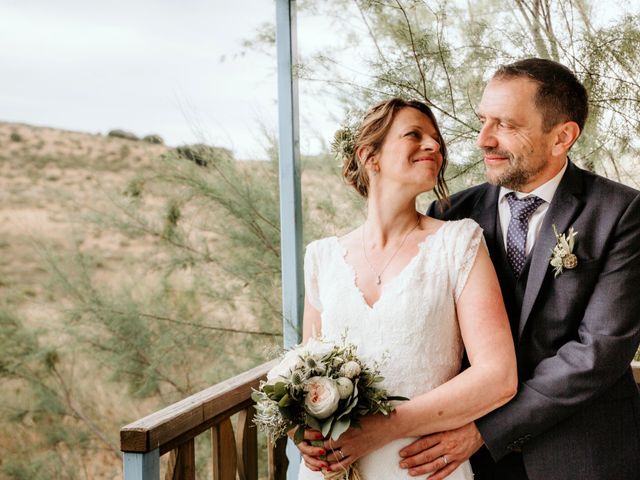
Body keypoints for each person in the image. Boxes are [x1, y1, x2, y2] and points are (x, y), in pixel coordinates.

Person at [400, 58, 640, 480]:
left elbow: (598, 351)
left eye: (506, 125)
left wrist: (485, 429)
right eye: (483, 120)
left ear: (562, 136)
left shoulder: (622, 213)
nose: (483, 140)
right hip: (466, 464)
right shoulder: (451, 213)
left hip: (581, 455)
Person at [296, 98, 517, 479]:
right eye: (414, 135)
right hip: (333, 468)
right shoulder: (322, 258)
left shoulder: (459, 243)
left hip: (421, 466)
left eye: (436, 140)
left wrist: (383, 429)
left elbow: (498, 376)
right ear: (370, 156)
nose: (434, 146)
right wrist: (302, 427)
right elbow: (305, 376)